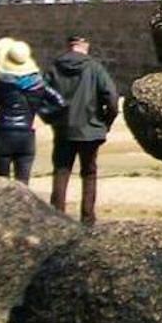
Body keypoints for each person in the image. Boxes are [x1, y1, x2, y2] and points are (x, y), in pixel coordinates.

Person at [46, 35, 119, 223]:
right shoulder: (95, 68)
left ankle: (57, 216)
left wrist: (51, 118)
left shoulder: (55, 67)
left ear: (69, 46)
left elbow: (42, 95)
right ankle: (87, 218)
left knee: (61, 171)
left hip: (63, 128)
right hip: (90, 128)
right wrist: (105, 121)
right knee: (89, 173)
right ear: (85, 46)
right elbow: (111, 96)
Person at [0, 37, 58, 186]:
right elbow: (60, 102)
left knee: (1, 182)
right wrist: (43, 113)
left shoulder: (3, 84)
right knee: (23, 183)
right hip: (26, 134)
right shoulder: (38, 84)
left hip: (4, 133)